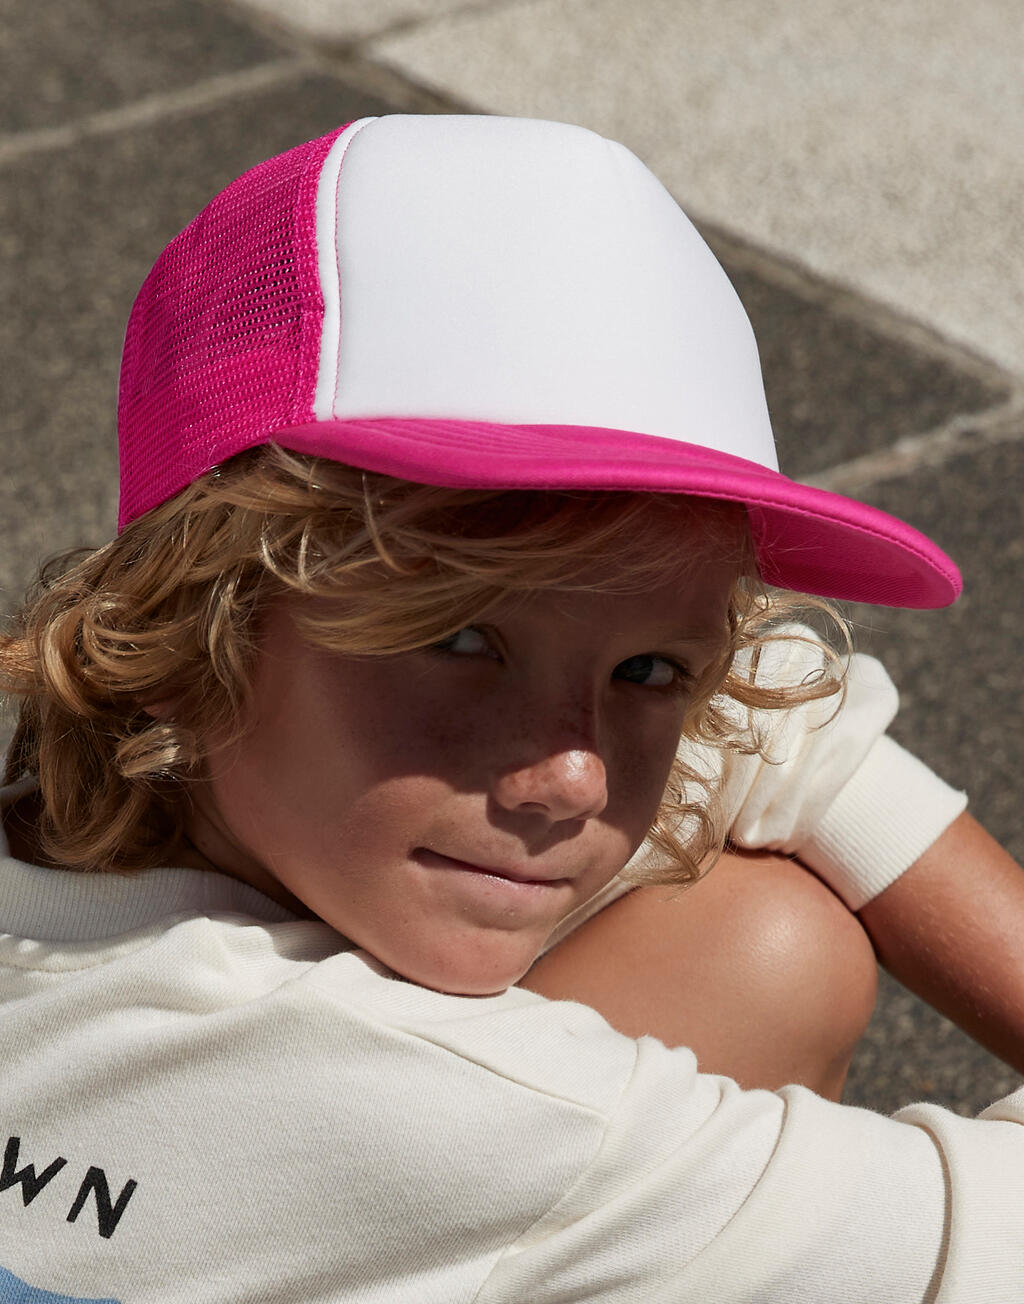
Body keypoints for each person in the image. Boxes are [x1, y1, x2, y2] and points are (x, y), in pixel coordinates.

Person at [0, 113, 1021, 1302]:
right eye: (460, 640)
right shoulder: (446, 1115)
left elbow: (770, 711)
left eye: (648, 671)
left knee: (769, 951)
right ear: (191, 626)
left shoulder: (82, 854)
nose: (573, 776)